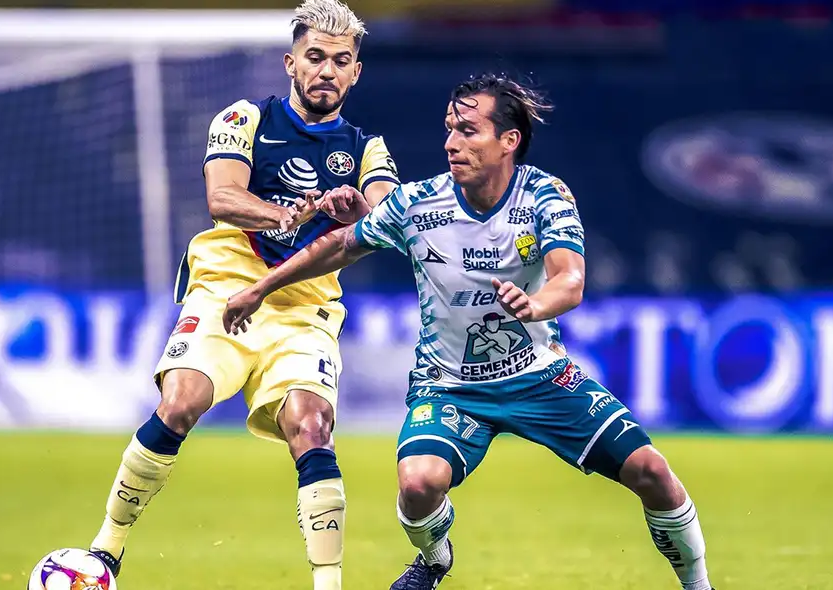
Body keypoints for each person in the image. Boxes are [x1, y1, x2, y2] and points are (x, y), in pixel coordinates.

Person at [223, 73, 715, 590]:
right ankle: (435, 559)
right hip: (450, 385)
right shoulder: (418, 204)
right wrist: (261, 287)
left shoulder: (545, 195)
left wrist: (534, 303)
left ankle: (699, 585)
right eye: (448, 129)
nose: (451, 143)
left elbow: (569, 280)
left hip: (539, 376)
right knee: (417, 485)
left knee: (653, 473)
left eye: (468, 131)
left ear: (509, 141)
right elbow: (341, 244)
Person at [87, 2, 400, 589]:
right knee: (182, 400)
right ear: (290, 63)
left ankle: (328, 585)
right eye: (314, 58)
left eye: (340, 61)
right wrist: (290, 214)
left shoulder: (367, 147)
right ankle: (106, 550)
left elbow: (386, 212)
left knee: (312, 426)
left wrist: (360, 211)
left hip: (304, 312)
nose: (326, 71)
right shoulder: (244, 118)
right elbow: (223, 198)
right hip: (225, 291)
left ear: (355, 72)